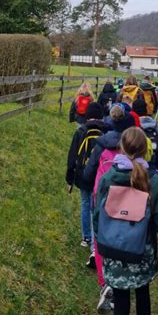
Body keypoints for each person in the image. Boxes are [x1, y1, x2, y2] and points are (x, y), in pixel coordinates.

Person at [93, 127, 158, 315]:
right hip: (141, 252)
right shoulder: (153, 180)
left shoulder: (108, 177)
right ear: (146, 150)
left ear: (122, 148)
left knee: (121, 305)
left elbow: (97, 217)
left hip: (114, 250)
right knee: (143, 297)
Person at [84, 105, 136, 282]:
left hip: (102, 195)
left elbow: (89, 171)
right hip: (126, 199)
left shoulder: (102, 145)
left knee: (99, 229)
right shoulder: (131, 146)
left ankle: (103, 275)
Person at [65, 102, 109, 256]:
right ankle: (97, 240)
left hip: (83, 175)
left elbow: (72, 157)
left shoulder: (80, 132)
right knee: (96, 207)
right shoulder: (106, 133)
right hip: (100, 176)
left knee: (85, 203)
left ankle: (86, 237)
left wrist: (70, 178)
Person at [133, 98, 158, 172]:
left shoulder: (134, 126)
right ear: (146, 110)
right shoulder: (155, 125)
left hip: (137, 169)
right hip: (153, 168)